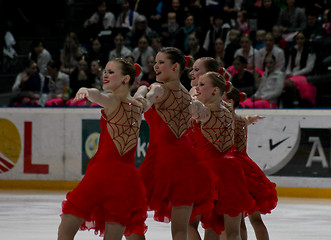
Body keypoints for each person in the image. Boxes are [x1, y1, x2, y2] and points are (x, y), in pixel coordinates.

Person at [57, 59, 159, 240]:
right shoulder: (138, 105)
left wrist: (86, 91)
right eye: (105, 71)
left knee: (67, 227)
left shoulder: (112, 101)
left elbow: (97, 96)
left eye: (111, 72)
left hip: (102, 174)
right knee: (125, 231)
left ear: (125, 78)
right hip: (127, 179)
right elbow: (146, 98)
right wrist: (150, 89)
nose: (105, 75)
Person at [133, 47, 216, 240]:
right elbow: (202, 114)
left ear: (176, 66)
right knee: (180, 230)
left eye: (161, 62)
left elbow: (151, 96)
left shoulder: (159, 88)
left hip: (162, 159)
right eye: (155, 62)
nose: (155, 66)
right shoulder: (188, 95)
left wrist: (142, 96)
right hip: (187, 161)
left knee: (130, 215)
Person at [189, 72, 255, 240]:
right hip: (231, 170)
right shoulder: (228, 111)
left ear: (215, 90)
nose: (198, 87)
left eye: (202, 84)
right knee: (231, 230)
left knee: (201, 226)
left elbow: (194, 109)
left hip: (210, 172)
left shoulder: (206, 110)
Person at [223, 87, 278, 240]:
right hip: (248, 169)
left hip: (235, 171)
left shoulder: (225, 121)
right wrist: (251, 117)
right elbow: (245, 119)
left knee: (238, 220)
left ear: (229, 102)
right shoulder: (241, 119)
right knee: (255, 219)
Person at [282, 32, 317, 108]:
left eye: (302, 38)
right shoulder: (293, 50)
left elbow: (309, 68)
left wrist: (294, 74)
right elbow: (289, 66)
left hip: (303, 76)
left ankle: (295, 102)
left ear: (305, 39)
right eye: (298, 38)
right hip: (293, 75)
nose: (299, 40)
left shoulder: (310, 51)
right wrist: (288, 73)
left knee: (288, 83)